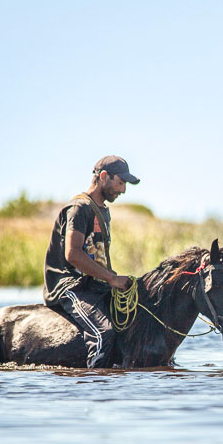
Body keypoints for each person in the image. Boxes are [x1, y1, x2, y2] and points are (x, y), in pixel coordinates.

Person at [43, 155, 140, 367]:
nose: (123, 190)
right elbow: (73, 254)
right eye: (120, 182)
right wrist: (111, 279)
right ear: (104, 176)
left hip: (94, 285)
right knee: (103, 334)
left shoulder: (103, 210)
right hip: (69, 285)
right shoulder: (79, 207)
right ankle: (94, 386)